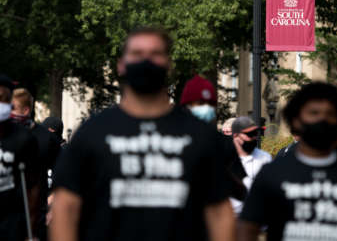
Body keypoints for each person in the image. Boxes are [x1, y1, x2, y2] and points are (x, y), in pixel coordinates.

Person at [50, 27, 235, 241]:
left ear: (169, 65)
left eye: (155, 54)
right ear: (121, 65)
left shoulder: (200, 135)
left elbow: (219, 212)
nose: (146, 61)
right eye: (137, 54)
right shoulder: (92, 133)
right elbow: (66, 207)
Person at [238, 82, 337, 241]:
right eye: (313, 113)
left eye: (330, 113)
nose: (322, 119)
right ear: (296, 119)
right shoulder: (273, 173)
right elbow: (247, 228)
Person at [11, 88, 61, 240]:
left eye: (13, 108)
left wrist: (52, 204)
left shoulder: (47, 139)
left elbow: (62, 172)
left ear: (26, 110)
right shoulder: (5, 134)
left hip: (37, 214)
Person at [0, 75, 40, 241]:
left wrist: (30, 230)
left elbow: (32, 188)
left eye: (5, 99)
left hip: (11, 224)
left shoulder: (23, 138)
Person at [230, 116, 272, 215]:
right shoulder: (223, 157)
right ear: (235, 136)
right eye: (250, 134)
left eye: (256, 133)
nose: (254, 137)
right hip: (231, 219)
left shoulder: (265, 158)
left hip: (258, 221)